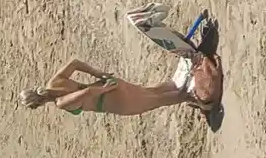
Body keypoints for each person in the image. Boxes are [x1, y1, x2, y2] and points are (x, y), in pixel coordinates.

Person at [19, 58, 217, 117]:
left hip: (112, 100)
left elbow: (87, 93)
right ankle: (191, 76)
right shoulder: (54, 82)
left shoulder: (61, 103)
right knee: (152, 91)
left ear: (39, 105)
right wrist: (99, 74)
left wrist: (104, 90)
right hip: (110, 84)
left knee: (159, 100)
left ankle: (200, 97)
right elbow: (75, 63)